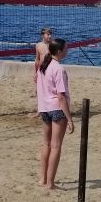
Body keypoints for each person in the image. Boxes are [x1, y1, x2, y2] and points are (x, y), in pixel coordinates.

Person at [36, 38, 73, 190]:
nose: (67, 51)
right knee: (56, 146)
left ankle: (43, 179)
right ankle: (50, 183)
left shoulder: (43, 66)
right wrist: (70, 119)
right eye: (66, 49)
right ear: (59, 51)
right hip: (57, 109)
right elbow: (61, 96)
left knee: (46, 144)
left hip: (44, 108)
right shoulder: (58, 68)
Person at [32, 26, 53, 114]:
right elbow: (37, 59)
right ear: (43, 35)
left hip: (49, 70)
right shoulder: (38, 45)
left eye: (50, 34)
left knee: (49, 90)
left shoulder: (52, 45)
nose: (50, 36)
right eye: (48, 34)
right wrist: (35, 72)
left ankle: (50, 109)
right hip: (41, 70)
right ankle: (39, 110)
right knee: (39, 90)